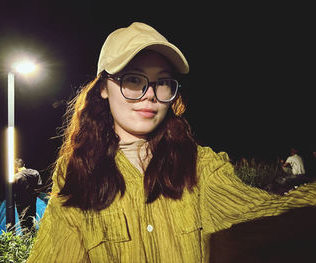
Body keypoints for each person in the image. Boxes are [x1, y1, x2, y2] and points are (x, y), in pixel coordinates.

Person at [27, 22, 316, 263]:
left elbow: (266, 215)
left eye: (162, 81)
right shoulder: (78, 171)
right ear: (103, 87)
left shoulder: (199, 165)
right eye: (133, 79)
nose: (150, 94)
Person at [13, 158, 42, 233]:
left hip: (21, 204)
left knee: (24, 225)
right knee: (32, 221)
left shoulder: (16, 177)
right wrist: (33, 196)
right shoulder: (35, 173)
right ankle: (33, 241)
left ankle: (27, 241)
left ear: (15, 167)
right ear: (24, 165)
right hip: (32, 202)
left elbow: (13, 192)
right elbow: (39, 187)